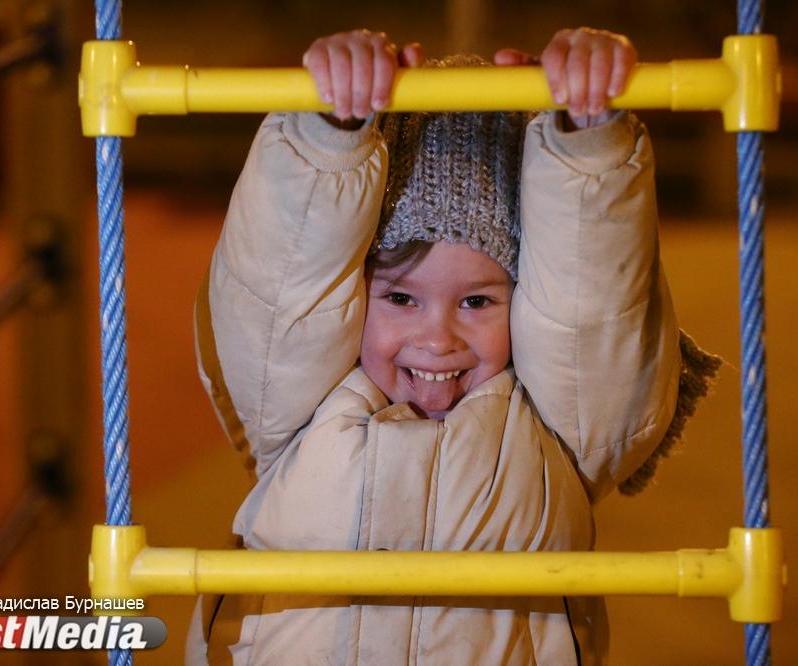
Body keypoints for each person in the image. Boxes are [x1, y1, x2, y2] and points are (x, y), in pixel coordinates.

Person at [187, 27, 720, 665]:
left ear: (526, 302)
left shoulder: (557, 430)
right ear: (353, 293)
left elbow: (594, 310)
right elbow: (279, 285)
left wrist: (586, 149)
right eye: (401, 299)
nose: (437, 339)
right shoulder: (297, 406)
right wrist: (327, 132)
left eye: (478, 301)